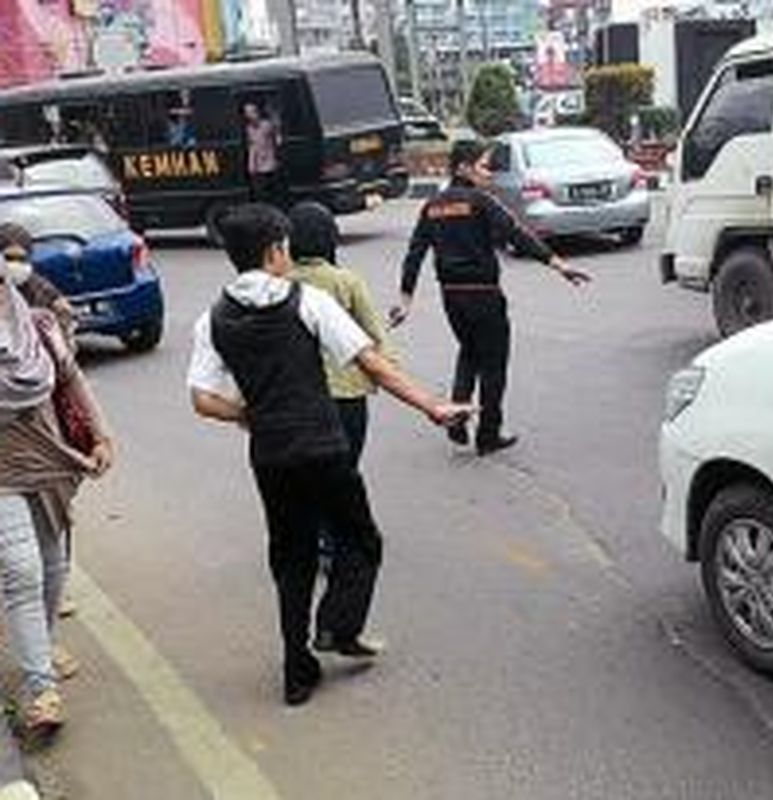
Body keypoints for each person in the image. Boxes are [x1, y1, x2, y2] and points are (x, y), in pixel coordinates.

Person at [186, 204, 472, 706]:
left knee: (290, 558)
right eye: (285, 247)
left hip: (270, 456)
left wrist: (249, 416)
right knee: (361, 541)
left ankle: (297, 672)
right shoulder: (308, 302)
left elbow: (203, 400)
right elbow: (373, 366)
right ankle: (338, 628)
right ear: (275, 251)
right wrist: (431, 406)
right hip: (322, 446)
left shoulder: (212, 319)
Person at [391, 139, 591, 456]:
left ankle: (457, 418)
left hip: (452, 297)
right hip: (484, 295)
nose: (490, 173)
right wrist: (557, 264)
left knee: (469, 352)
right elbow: (517, 234)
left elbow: (414, 254)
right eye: (484, 166)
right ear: (463, 168)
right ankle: (488, 434)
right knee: (494, 365)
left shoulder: (432, 207)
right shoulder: (481, 202)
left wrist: (405, 301)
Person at [0, 250, 114, 736]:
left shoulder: (40, 327)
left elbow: (71, 379)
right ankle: (40, 687)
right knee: (21, 572)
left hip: (48, 462)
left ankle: (41, 646)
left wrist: (101, 434)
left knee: (52, 568)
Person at [288, 202, 394, 465]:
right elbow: (375, 337)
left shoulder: (281, 282)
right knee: (346, 470)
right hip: (346, 397)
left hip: (297, 398)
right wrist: (391, 375)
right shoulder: (346, 281)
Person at [243, 103, 284, 208]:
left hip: (271, 164)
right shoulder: (248, 129)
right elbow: (251, 147)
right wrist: (251, 165)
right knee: (259, 194)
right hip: (257, 167)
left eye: (251, 112)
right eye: (247, 113)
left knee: (274, 193)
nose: (249, 115)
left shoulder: (267, 125)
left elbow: (278, 134)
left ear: (257, 113)